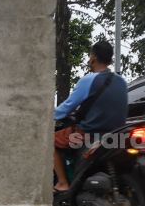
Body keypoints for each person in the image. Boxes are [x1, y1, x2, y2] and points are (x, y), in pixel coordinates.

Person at [54, 41, 128, 192]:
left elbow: (67, 107)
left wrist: (47, 116)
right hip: (117, 135)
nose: (89, 59)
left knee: (50, 141)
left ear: (93, 57)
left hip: (89, 134)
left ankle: (62, 183)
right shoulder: (122, 82)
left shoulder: (89, 80)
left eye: (89, 56)